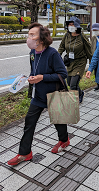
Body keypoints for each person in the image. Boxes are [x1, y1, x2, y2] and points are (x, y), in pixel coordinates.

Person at [8, 23, 69, 166]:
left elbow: (62, 74)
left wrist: (42, 77)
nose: (28, 38)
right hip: (38, 96)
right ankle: (25, 153)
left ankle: (64, 140)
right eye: (28, 34)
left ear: (41, 39)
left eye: (32, 35)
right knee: (29, 122)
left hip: (53, 94)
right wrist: (29, 78)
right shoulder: (32, 53)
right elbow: (34, 71)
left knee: (58, 121)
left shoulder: (52, 53)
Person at [58, 16, 92, 103]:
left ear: (77, 26)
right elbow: (61, 47)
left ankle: (77, 97)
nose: (70, 26)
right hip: (70, 62)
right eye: (69, 24)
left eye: (72, 24)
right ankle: (81, 93)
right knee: (69, 82)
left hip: (80, 62)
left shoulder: (82, 36)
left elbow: (89, 50)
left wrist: (91, 65)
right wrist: (57, 57)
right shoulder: (67, 35)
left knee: (73, 85)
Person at [90, 23, 99, 90]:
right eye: (93, 30)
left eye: (96, 30)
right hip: (95, 57)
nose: (95, 31)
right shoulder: (93, 37)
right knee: (96, 71)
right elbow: (91, 46)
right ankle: (98, 84)